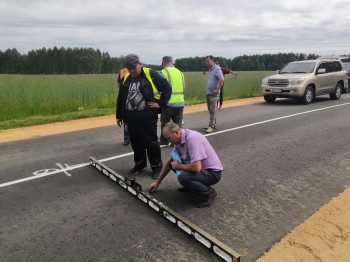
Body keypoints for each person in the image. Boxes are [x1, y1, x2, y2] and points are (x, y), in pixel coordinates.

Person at [116, 54, 172, 179]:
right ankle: (140, 164)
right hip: (130, 117)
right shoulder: (126, 78)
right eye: (129, 69)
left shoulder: (150, 74)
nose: (132, 71)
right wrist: (119, 115)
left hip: (147, 116)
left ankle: (157, 167)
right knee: (136, 143)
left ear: (139, 63)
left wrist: (161, 104)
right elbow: (121, 98)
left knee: (151, 142)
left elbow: (167, 87)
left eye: (133, 68)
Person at [148, 122, 223, 208]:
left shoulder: (192, 138)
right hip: (202, 171)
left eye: (169, 138)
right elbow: (169, 161)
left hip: (212, 173)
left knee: (183, 177)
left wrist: (179, 166)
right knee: (172, 163)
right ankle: (192, 186)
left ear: (176, 132)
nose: (169, 142)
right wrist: (157, 182)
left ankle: (209, 193)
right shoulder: (178, 140)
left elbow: (197, 167)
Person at [159, 56, 185, 145]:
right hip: (180, 102)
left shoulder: (163, 72)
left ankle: (164, 141)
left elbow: (159, 88)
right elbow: (183, 86)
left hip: (168, 103)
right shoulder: (180, 72)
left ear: (163, 62)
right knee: (177, 125)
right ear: (172, 62)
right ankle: (177, 142)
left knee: (165, 124)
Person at [204, 55, 224, 133]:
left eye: (208, 61)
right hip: (209, 93)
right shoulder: (211, 69)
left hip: (214, 94)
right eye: (206, 61)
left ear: (212, 60)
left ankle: (211, 126)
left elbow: (222, 79)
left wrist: (217, 89)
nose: (206, 63)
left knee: (212, 110)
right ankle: (213, 123)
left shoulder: (217, 69)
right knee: (210, 109)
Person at [117, 68, 130, 146]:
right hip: (126, 95)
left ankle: (127, 139)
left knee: (127, 120)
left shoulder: (122, 71)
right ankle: (128, 138)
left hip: (125, 95)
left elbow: (119, 85)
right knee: (127, 120)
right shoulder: (140, 69)